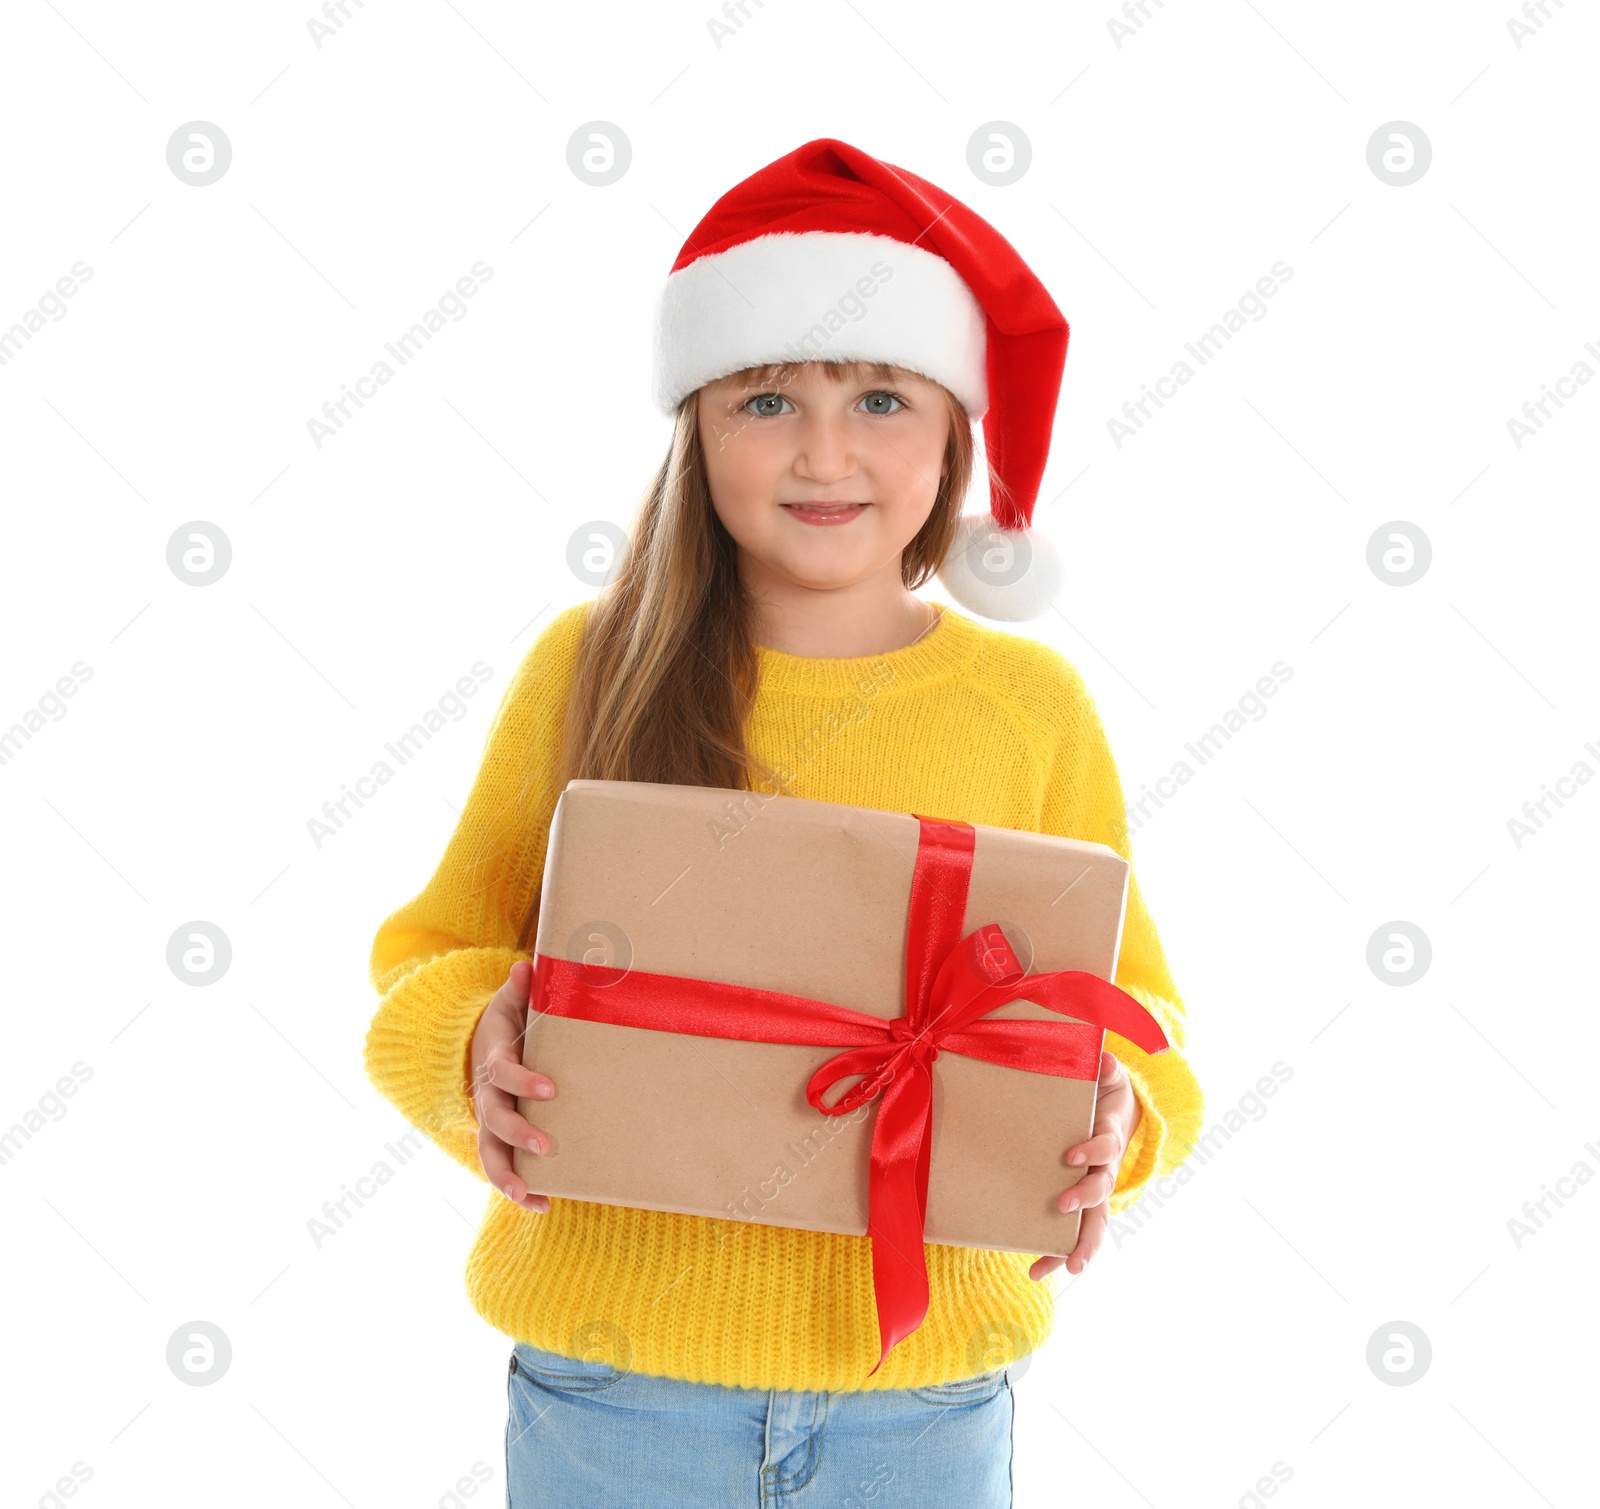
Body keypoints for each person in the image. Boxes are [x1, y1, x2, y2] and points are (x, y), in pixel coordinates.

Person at [364, 137, 1204, 1508]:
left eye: (880, 395)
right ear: (698, 426)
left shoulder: (1029, 704)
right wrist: (472, 1044)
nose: (825, 450)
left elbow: (1141, 1016)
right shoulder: (592, 665)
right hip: (614, 1385)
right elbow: (432, 951)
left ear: (953, 436)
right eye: (766, 398)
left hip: (922, 1399)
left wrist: (1124, 1118)